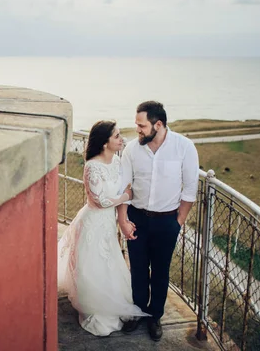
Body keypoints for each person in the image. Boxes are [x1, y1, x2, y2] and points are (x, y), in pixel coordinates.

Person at [58, 120, 149, 336]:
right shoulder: (91, 166)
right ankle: (95, 306)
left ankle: (112, 300)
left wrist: (122, 219)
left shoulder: (117, 162)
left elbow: (122, 188)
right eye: (117, 136)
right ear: (105, 142)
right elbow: (100, 201)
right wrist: (126, 196)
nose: (122, 139)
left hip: (108, 223)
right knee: (93, 266)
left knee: (110, 263)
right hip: (93, 222)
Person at [117, 101, 199, 341]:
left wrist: (178, 222)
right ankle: (138, 312)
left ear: (158, 124)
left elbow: (190, 189)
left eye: (141, 125)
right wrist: (123, 219)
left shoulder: (184, 147)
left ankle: (155, 317)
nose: (138, 130)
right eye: (136, 125)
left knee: (160, 272)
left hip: (167, 221)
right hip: (137, 219)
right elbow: (124, 186)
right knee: (138, 270)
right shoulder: (132, 149)